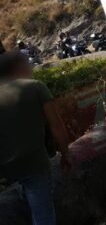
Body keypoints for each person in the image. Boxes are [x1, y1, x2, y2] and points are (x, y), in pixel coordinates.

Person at [0, 51, 71, 225]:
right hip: (34, 163)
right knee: (43, 217)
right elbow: (57, 126)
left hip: (4, 169)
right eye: (27, 64)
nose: (31, 67)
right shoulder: (35, 86)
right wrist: (66, 154)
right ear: (18, 67)